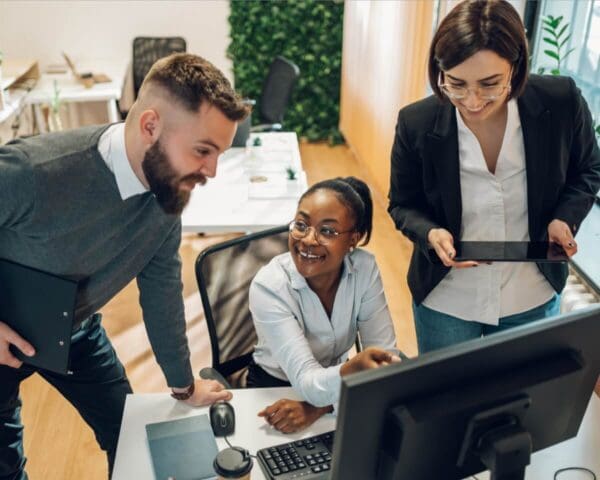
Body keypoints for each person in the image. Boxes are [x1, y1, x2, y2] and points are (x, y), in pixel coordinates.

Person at [0, 53, 250, 479]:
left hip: (74, 330)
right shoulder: (33, 172)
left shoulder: (166, 202)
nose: (211, 171)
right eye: (202, 150)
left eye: (218, 154)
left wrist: (183, 383)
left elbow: (162, 295)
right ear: (150, 126)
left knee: (132, 438)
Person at [388, 0, 600, 354]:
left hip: (530, 293)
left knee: (525, 400)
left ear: (515, 69)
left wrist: (565, 217)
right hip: (447, 298)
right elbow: (403, 204)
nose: (472, 101)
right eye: (455, 84)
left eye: (490, 84)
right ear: (439, 71)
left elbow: (589, 168)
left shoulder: (560, 101)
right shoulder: (417, 122)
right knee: (449, 401)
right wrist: (431, 233)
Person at [247, 177, 400, 433]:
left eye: (327, 231)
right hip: (273, 393)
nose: (308, 240)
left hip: (337, 386)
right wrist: (350, 375)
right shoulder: (269, 286)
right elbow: (307, 381)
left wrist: (318, 408)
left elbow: (384, 358)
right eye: (301, 225)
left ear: (354, 239)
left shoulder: (364, 268)